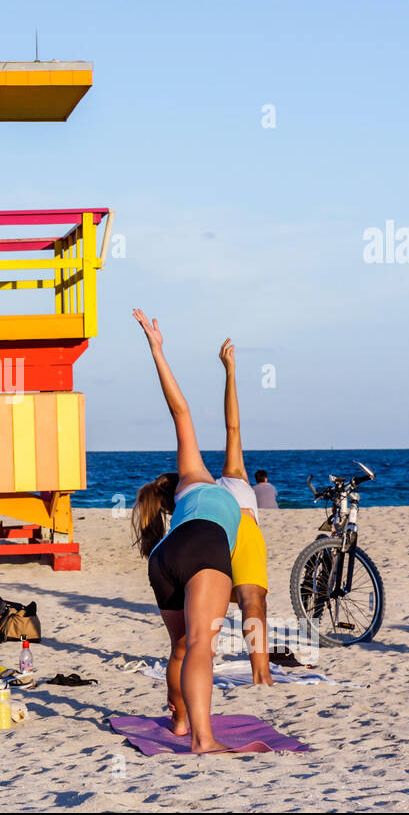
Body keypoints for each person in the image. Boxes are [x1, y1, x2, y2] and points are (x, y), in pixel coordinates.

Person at [129, 310, 242, 754]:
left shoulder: (191, 485)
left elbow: (181, 411)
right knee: (201, 646)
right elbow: (212, 419)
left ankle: (180, 721)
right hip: (203, 546)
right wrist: (159, 349)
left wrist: (158, 349)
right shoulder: (208, 477)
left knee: (181, 646)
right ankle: (204, 739)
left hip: (165, 557)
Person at [216, 339, 273, 685]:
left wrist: (231, 373)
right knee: (252, 604)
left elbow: (232, 428)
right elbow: (233, 428)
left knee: (215, 610)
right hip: (237, 530)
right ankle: (261, 675)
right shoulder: (233, 476)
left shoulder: (199, 487)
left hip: (214, 533)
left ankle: (261, 675)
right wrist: (231, 372)